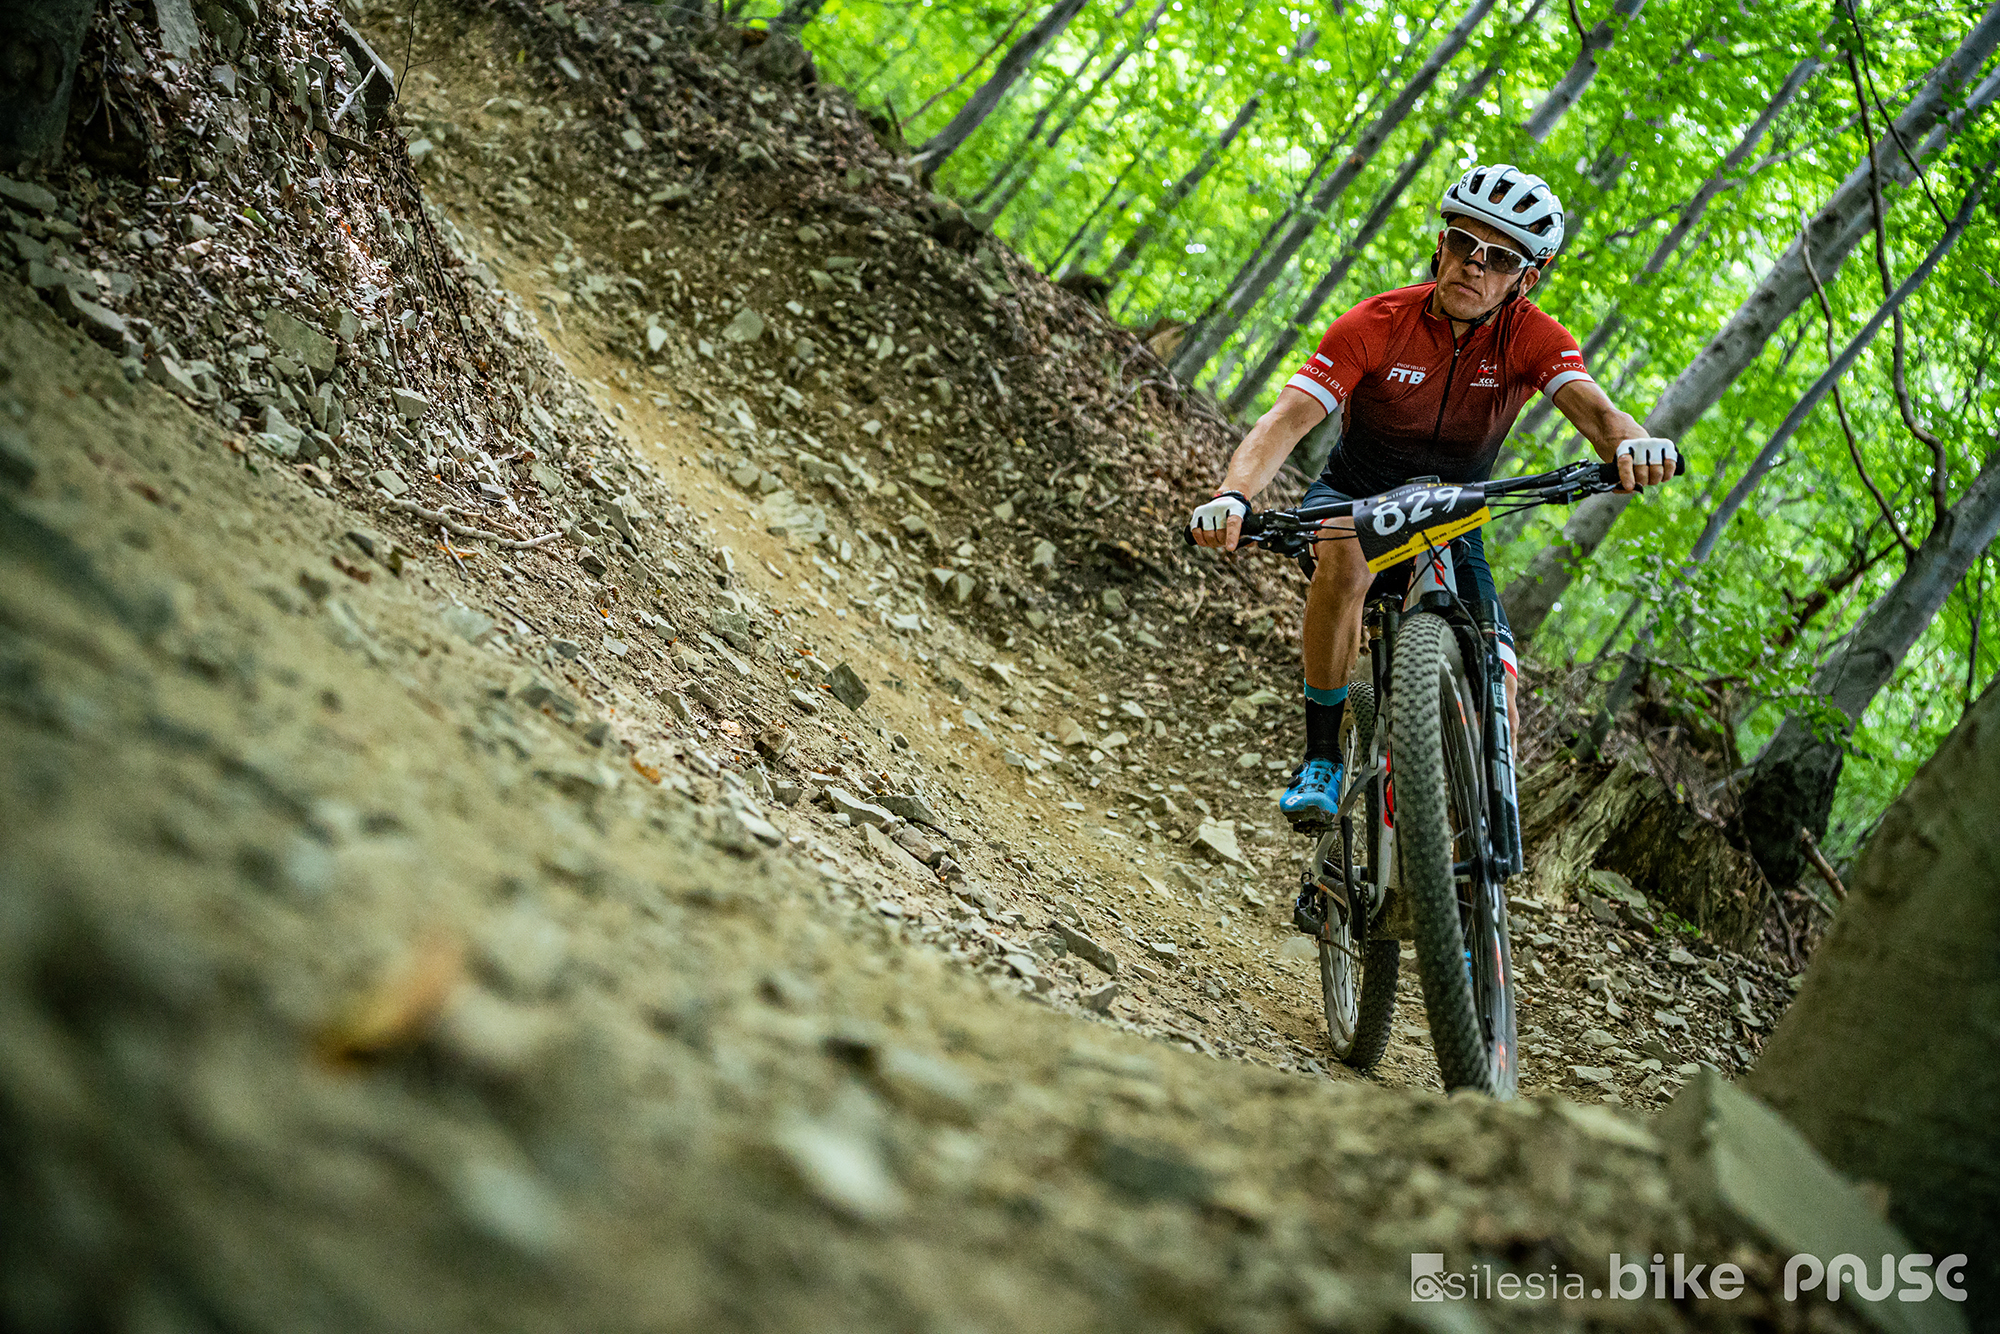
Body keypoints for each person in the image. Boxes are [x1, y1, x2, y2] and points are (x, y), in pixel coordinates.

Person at [1188, 163, 1679, 827]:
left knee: (1499, 688)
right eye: (1463, 244)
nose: (1475, 265)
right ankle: (1322, 758)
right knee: (1346, 556)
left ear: (1526, 278)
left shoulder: (1532, 336)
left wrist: (1634, 446)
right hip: (1352, 497)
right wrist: (1235, 495)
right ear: (1441, 245)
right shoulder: (1376, 321)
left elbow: (1598, 413)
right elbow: (1285, 420)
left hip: (1452, 516)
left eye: (1500, 258)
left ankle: (1462, 856)